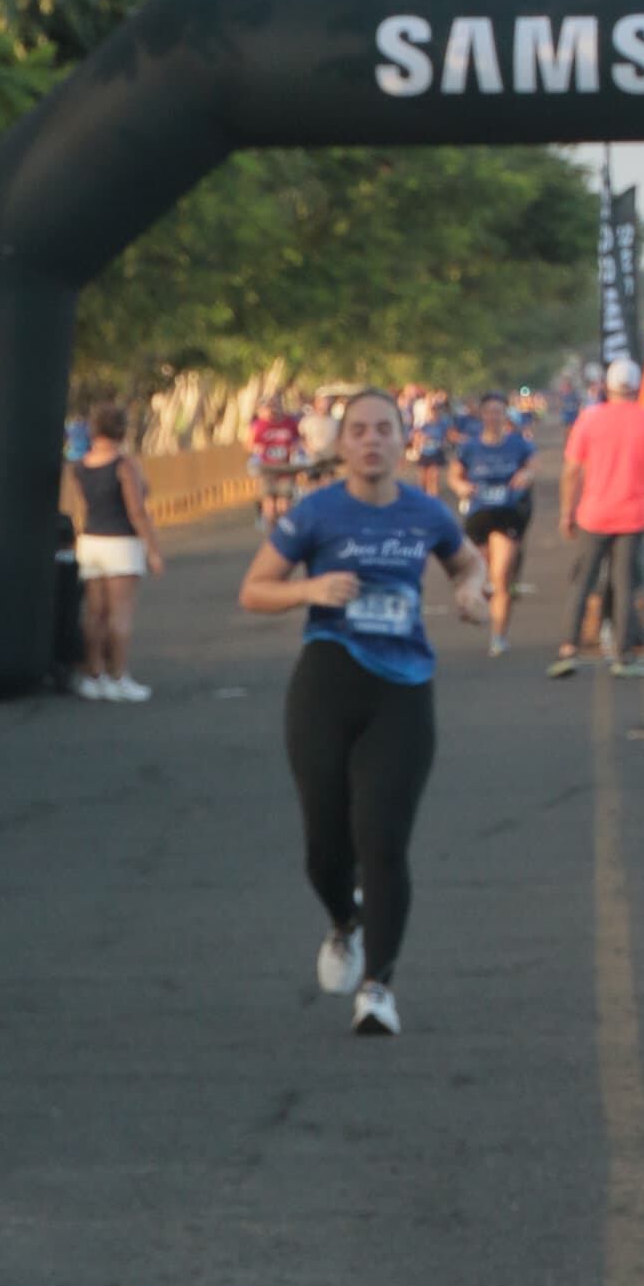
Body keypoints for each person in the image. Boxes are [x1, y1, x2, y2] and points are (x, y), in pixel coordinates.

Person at [238, 381, 486, 1037]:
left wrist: (471, 593)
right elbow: (253, 590)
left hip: (401, 689)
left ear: (403, 442)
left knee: (381, 838)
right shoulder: (315, 514)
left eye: (384, 429)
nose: (371, 441)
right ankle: (342, 923)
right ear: (340, 444)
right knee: (324, 847)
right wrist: (308, 589)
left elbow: (468, 565)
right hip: (325, 683)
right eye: (359, 431)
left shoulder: (425, 513)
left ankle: (378, 987)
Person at [548, 356, 644, 680]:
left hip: (593, 514)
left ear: (607, 387)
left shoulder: (589, 420)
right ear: (637, 388)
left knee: (582, 581)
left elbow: (570, 471)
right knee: (623, 586)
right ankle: (623, 654)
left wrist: (567, 513)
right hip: (633, 516)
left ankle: (568, 649)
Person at [67, 401, 161, 699]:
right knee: (120, 615)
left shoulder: (80, 466)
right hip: (122, 541)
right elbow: (136, 509)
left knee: (95, 614)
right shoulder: (124, 465)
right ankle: (119, 677)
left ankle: (94, 676)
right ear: (121, 429)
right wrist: (153, 548)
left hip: (91, 540)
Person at [448, 387, 537, 654]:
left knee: (501, 575)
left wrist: (526, 476)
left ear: (505, 414)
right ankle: (481, 594)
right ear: (481, 415)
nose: (493, 417)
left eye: (498, 412)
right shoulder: (470, 447)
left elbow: (532, 464)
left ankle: (498, 636)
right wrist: (461, 487)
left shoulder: (518, 443)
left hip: (507, 513)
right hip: (478, 513)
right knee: (483, 573)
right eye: (489, 412)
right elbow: (454, 475)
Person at [248, 395, 303, 522]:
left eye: (277, 406)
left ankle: (284, 532)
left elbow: (299, 439)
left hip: (286, 468)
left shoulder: (289, 422)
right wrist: (257, 448)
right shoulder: (259, 425)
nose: (274, 410)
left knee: (284, 504)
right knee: (270, 505)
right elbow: (248, 444)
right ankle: (271, 533)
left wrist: (295, 447)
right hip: (266, 467)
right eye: (271, 407)